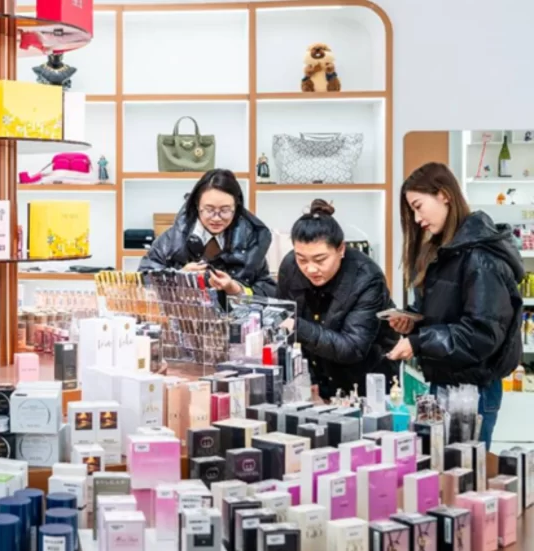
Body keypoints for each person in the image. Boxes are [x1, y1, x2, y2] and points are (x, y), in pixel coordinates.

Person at [387, 162, 523, 449]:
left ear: (444, 195)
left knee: (465, 481)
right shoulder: (444, 252)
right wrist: (415, 320)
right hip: (446, 383)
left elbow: (481, 334)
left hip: (474, 392)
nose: (417, 218)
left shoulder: (480, 258)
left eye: (418, 206)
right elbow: (448, 315)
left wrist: (419, 341)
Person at [276, 199, 398, 400]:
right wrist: (308, 379)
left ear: (341, 249)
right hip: (314, 379)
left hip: (366, 383)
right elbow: (284, 330)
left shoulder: (367, 277)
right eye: (302, 259)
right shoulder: (290, 267)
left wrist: (299, 327)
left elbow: (353, 347)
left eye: (320, 259)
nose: (310, 269)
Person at [139, 168, 276, 296]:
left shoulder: (251, 240)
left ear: (237, 207)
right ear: (197, 205)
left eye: (225, 210)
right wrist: (178, 277)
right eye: (209, 210)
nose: (216, 218)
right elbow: (142, 280)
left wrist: (236, 289)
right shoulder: (172, 238)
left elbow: (267, 289)